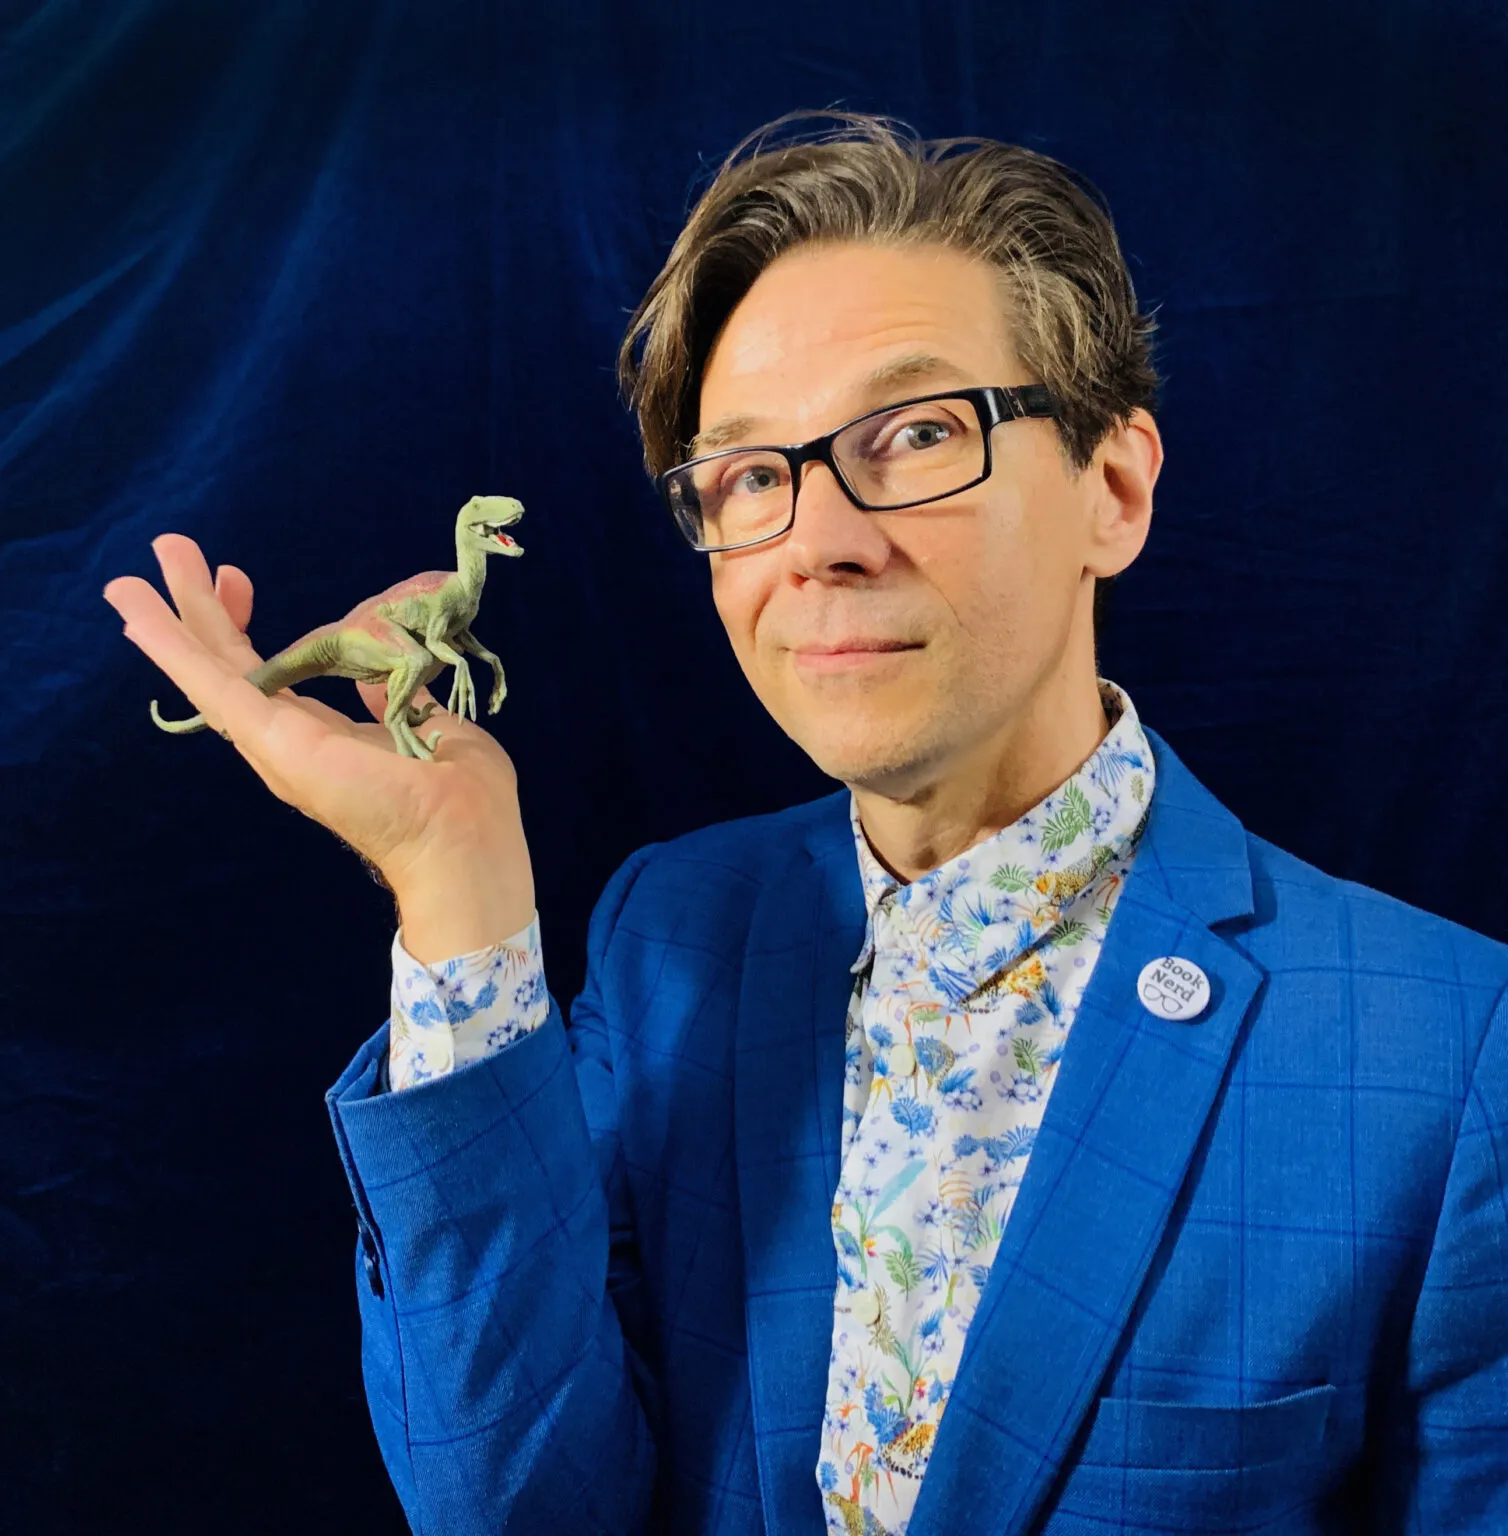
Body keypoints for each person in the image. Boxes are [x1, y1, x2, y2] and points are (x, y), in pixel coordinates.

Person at [102, 111, 1508, 1536]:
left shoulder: (1451, 1058)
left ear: (1115, 489)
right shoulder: (670, 939)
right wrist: (449, 876)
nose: (821, 544)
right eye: (751, 476)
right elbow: (517, 1508)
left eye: (917, 435)